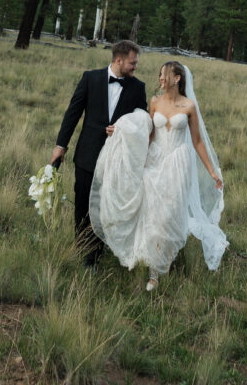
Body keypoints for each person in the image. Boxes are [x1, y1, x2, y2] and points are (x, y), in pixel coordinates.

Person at [89, 60, 228, 291]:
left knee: (169, 212)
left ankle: (160, 264)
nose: (160, 79)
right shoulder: (154, 102)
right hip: (155, 158)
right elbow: (149, 133)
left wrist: (213, 171)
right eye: (160, 75)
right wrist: (123, 133)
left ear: (177, 78)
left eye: (164, 75)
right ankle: (153, 268)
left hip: (178, 161)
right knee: (152, 209)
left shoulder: (189, 106)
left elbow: (197, 141)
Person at [50, 40, 147, 268]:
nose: (135, 67)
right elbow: (72, 113)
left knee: (107, 207)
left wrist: (124, 128)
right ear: (118, 60)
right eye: (132, 63)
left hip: (118, 159)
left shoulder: (138, 87)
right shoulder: (90, 78)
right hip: (88, 155)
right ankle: (84, 252)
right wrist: (60, 145)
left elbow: (143, 123)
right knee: (83, 204)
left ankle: (98, 251)